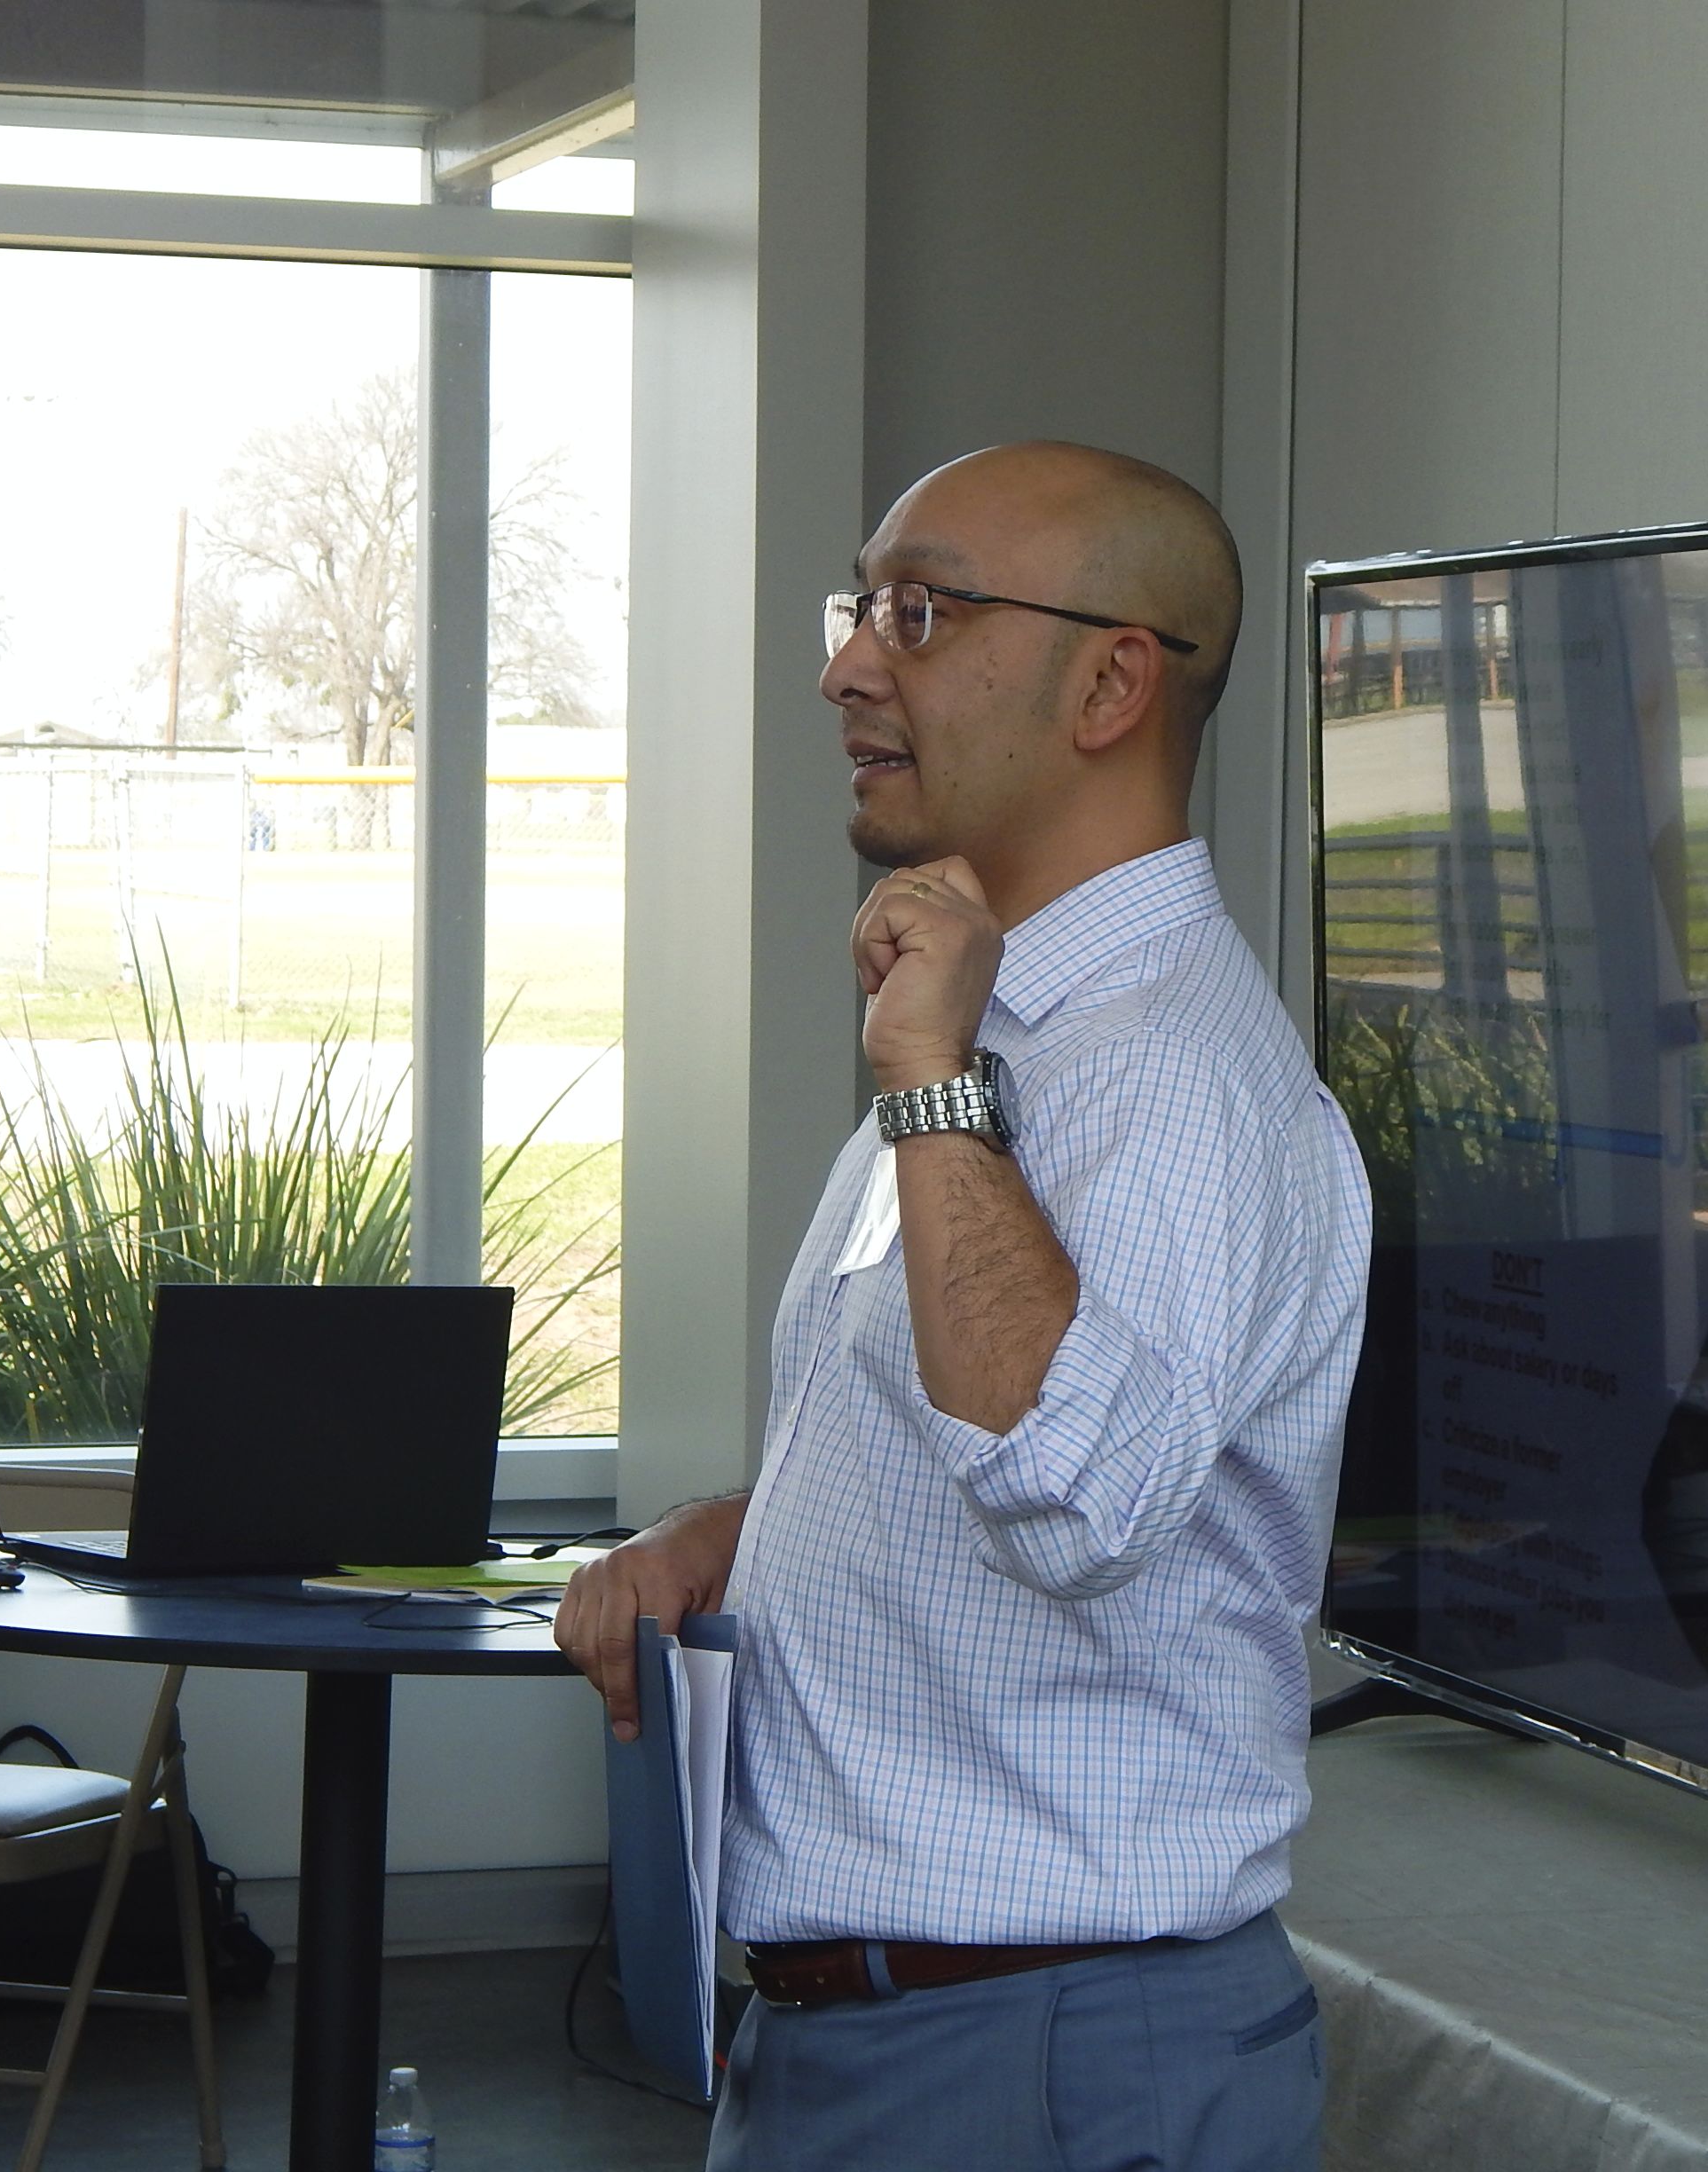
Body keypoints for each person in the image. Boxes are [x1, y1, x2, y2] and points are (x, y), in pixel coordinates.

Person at [556, 441, 1371, 2171]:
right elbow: (964, 1420)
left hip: (1040, 2065)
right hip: (917, 2040)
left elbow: (1075, 1492)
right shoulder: (1005, 1042)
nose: (852, 667)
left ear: (1111, 684)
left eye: (921, 614)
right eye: (860, 610)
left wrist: (928, 1082)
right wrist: (740, 1533)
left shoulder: (1159, 1075)